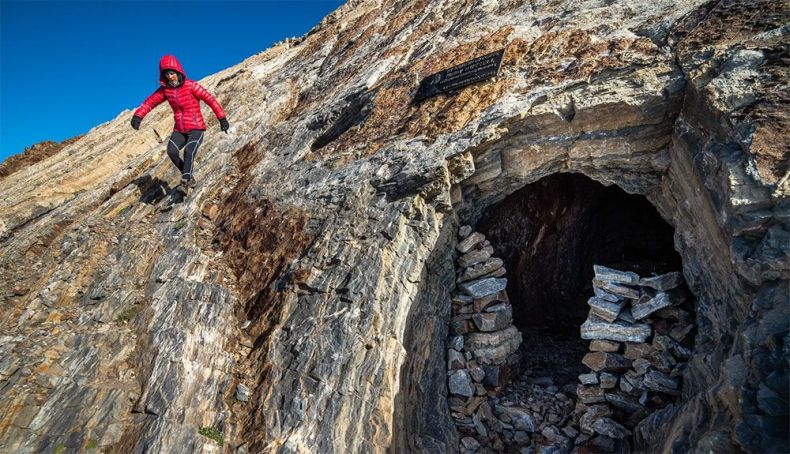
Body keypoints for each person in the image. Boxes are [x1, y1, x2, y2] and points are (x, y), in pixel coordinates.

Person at [131, 55, 229, 192]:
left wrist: (222, 118)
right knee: (171, 151)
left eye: (172, 73)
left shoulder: (191, 85)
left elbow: (210, 100)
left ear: (178, 71)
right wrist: (138, 115)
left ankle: (185, 181)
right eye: (167, 74)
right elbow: (150, 102)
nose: (170, 77)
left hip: (196, 128)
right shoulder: (165, 90)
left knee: (189, 151)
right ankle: (188, 176)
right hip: (179, 129)